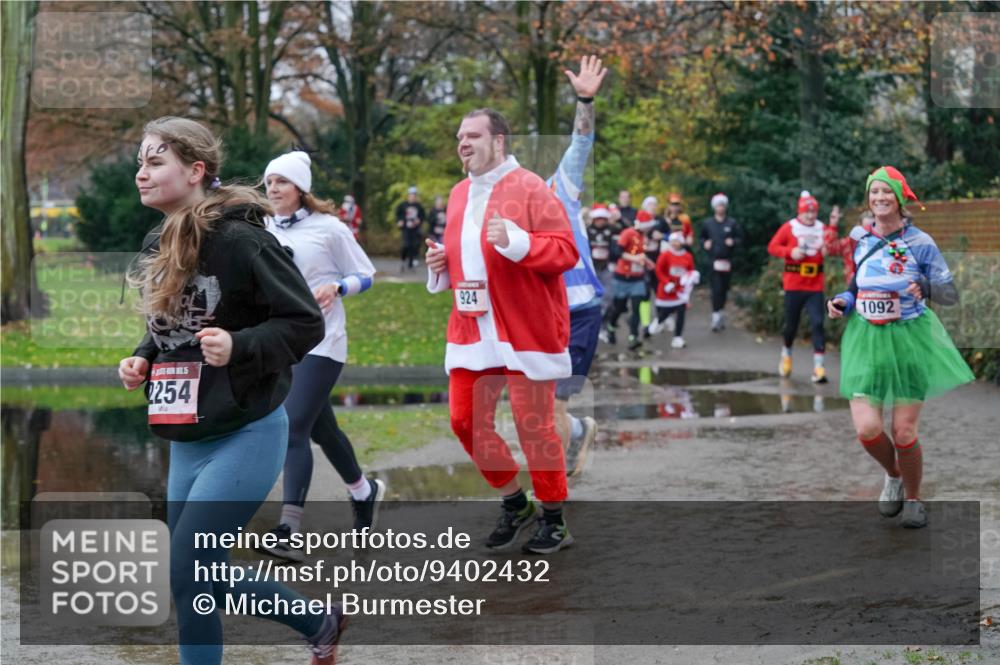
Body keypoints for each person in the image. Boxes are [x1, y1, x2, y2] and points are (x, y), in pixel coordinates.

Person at [120, 117, 344, 665]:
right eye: (140, 162)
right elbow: (168, 320)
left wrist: (239, 345)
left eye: (155, 162)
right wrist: (143, 357)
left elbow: (303, 322)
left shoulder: (242, 240)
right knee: (199, 576)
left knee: (185, 569)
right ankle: (319, 623)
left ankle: (319, 624)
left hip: (246, 431)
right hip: (187, 435)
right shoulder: (161, 237)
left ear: (196, 171)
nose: (140, 174)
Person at [424, 107, 579, 554]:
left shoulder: (530, 186)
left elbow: (565, 251)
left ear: (499, 142)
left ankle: (554, 518)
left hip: (525, 328)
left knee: (534, 427)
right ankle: (515, 502)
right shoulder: (457, 194)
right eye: (459, 137)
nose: (463, 144)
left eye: (473, 135)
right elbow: (465, 257)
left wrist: (519, 242)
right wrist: (443, 265)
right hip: (473, 328)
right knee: (464, 420)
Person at [827, 166, 974, 529]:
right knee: (867, 429)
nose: (879, 198)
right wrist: (843, 300)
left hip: (909, 337)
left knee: (904, 431)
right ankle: (894, 475)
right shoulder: (860, 238)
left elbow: (950, 293)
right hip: (867, 340)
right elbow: (856, 286)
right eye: (874, 192)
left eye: (886, 192)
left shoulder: (921, 242)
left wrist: (924, 286)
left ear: (899, 198)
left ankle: (913, 497)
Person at [259, 150, 384, 563]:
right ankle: (365, 493)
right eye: (270, 182)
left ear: (301, 188)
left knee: (292, 425)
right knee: (320, 428)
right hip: (282, 343)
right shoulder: (260, 227)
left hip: (323, 341)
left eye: (282, 182)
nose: (274, 189)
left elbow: (366, 273)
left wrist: (338, 288)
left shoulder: (328, 228)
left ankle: (289, 529)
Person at [545, 54, 608, 478]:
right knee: (538, 406)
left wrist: (584, 100)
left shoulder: (558, 189)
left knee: (550, 405)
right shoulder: (495, 205)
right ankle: (577, 430)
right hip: (538, 316)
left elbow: (580, 142)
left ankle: (551, 501)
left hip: (579, 312)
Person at [767, 190, 829, 383]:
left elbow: (831, 246)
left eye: (814, 212)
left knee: (818, 323)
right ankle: (786, 354)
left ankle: (818, 367)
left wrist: (828, 249)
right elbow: (772, 247)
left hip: (815, 285)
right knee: (791, 325)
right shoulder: (789, 227)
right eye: (807, 212)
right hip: (794, 284)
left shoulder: (822, 228)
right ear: (800, 212)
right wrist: (790, 251)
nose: (811, 216)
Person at [602, 209, 655, 350]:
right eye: (647, 225)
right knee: (619, 307)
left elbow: (641, 255)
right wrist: (634, 259)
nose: (649, 228)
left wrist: (648, 262)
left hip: (637, 278)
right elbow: (617, 252)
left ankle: (633, 337)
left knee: (636, 307)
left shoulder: (645, 237)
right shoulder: (628, 233)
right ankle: (611, 326)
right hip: (622, 277)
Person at [700, 192, 744, 331]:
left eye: (722, 205)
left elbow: (740, 239)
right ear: (714, 207)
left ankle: (721, 312)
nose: (721, 208)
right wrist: (705, 243)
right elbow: (702, 237)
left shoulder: (732, 223)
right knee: (716, 288)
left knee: (724, 289)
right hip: (713, 260)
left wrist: (733, 242)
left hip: (727, 260)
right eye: (718, 205)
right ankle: (715, 316)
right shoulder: (708, 223)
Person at [646, 231, 698, 348]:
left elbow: (690, 271)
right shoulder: (665, 255)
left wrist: (693, 278)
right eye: (673, 241)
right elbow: (658, 270)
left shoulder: (687, 256)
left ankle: (677, 337)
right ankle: (656, 323)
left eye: (677, 241)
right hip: (666, 290)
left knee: (681, 313)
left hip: (680, 292)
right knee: (665, 313)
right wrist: (666, 282)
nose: (675, 244)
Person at [396, 186, 425, 271]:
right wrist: (400, 221)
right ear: (408, 195)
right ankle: (403, 260)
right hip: (406, 229)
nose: (413, 197)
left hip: (415, 229)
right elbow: (398, 214)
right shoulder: (403, 205)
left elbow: (423, 216)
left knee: (414, 246)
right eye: (411, 195)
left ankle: (411, 263)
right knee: (406, 245)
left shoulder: (419, 206)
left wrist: (419, 220)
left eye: (414, 195)